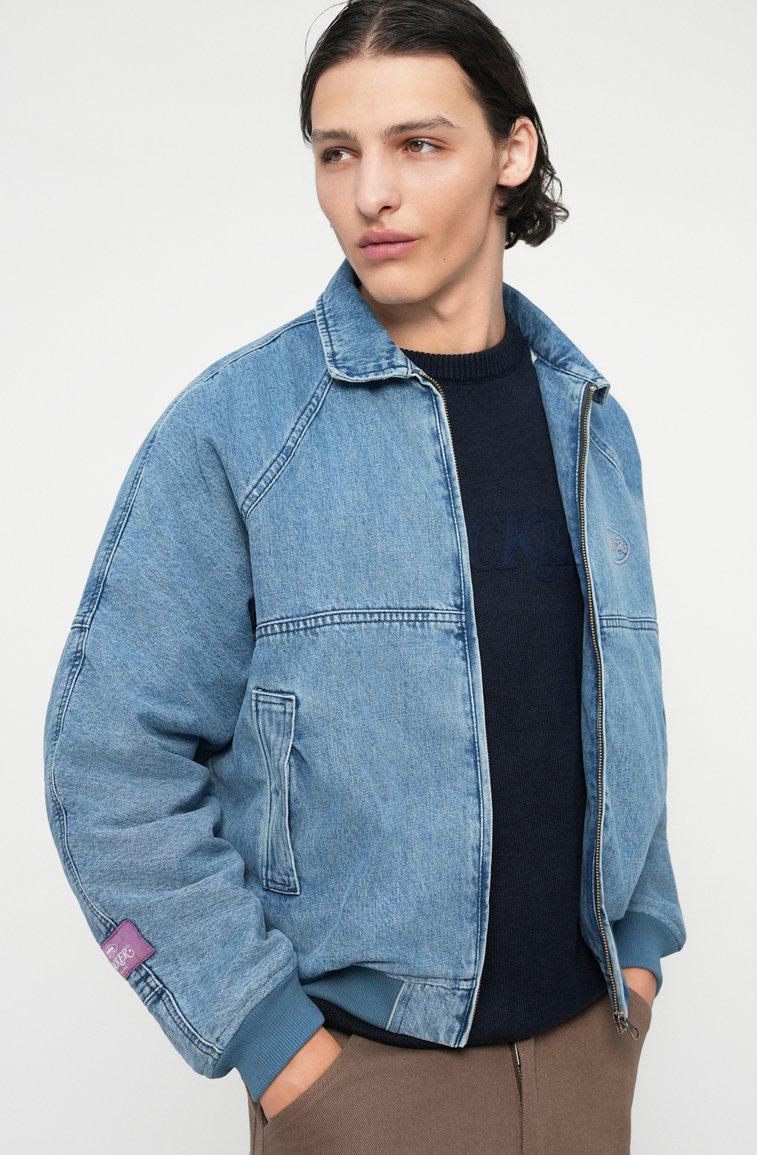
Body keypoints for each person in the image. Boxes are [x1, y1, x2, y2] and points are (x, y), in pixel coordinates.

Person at [43, 1, 686, 1151]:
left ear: (512, 152)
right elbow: (108, 758)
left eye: (416, 144)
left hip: (587, 1067)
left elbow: (612, 706)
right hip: (363, 1085)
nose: (369, 193)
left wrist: (637, 951)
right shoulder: (240, 427)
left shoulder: (590, 421)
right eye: (335, 153)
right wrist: (278, 1050)